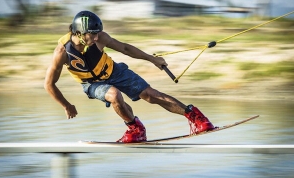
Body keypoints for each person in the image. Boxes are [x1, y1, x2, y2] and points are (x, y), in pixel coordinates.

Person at [44, 10, 215, 143]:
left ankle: (197, 118)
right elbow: (49, 84)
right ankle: (135, 129)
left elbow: (125, 48)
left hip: (115, 71)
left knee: (150, 94)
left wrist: (152, 59)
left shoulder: (100, 37)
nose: (97, 37)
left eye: (98, 33)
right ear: (80, 33)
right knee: (114, 95)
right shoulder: (62, 52)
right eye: (92, 34)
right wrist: (66, 105)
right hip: (91, 84)